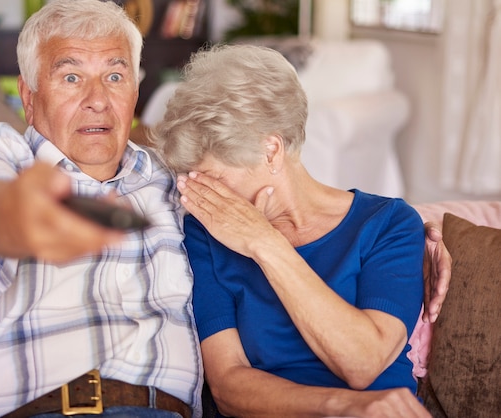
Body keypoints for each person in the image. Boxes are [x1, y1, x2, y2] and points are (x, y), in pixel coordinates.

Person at [0, 1, 202, 417]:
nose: (98, 100)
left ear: (135, 93)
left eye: (114, 75)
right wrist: (24, 217)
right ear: (28, 96)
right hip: (29, 409)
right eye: (71, 77)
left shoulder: (173, 177)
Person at [151, 43, 440, 417]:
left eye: (214, 179)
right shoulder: (206, 236)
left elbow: (363, 361)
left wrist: (266, 245)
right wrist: (343, 406)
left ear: (271, 151)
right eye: (190, 181)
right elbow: (228, 386)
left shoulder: (388, 224)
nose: (200, 197)